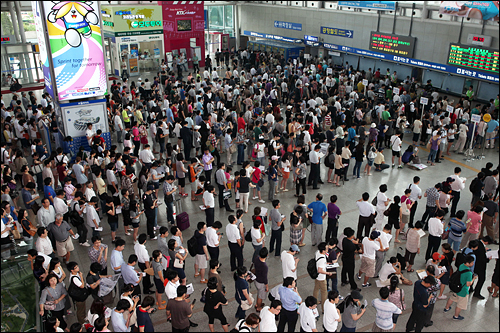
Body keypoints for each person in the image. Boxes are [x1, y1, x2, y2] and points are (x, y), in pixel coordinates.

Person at [444, 254, 476, 320]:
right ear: (468, 263)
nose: (473, 263)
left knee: (452, 298)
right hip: (462, 290)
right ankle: (456, 316)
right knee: (460, 305)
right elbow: (468, 284)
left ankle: (446, 308)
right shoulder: (469, 273)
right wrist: (473, 278)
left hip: (455, 286)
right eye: (472, 262)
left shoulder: (461, 265)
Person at [253, 247, 269, 312]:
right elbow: (265, 278)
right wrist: (267, 286)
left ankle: (257, 304)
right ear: (267, 255)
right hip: (261, 282)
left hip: (256, 279)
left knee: (259, 293)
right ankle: (258, 307)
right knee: (261, 296)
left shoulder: (256, 258)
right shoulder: (264, 266)